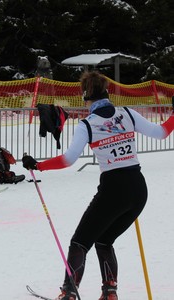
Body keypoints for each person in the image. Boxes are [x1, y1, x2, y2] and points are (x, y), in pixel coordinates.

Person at [22, 71, 174, 300]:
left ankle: (69, 293)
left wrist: (39, 165)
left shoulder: (88, 124)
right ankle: (109, 292)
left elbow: (69, 159)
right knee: (103, 240)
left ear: (86, 98)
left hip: (113, 188)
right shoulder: (128, 114)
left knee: (80, 242)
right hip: (138, 189)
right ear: (107, 93)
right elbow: (162, 132)